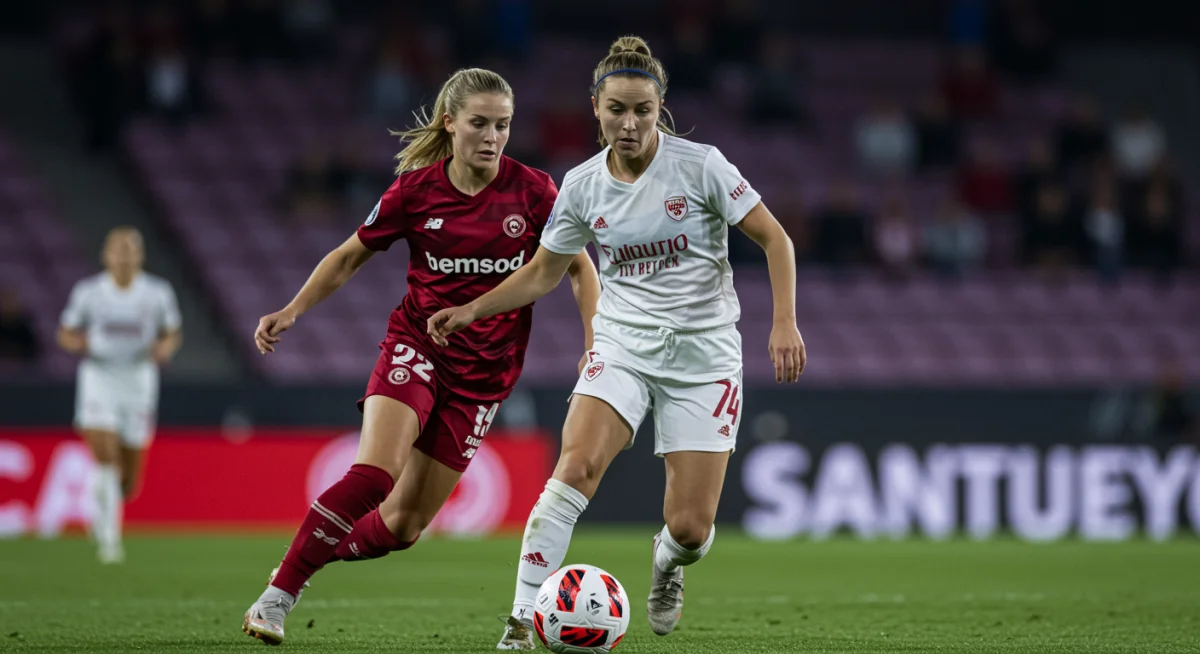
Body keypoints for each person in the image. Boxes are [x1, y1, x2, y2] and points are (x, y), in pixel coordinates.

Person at [424, 37, 805, 649]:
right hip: (622, 342)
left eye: (643, 111)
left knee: (690, 528)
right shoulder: (581, 185)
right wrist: (473, 308)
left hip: (705, 354)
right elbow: (544, 271)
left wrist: (783, 321)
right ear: (596, 108)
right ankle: (520, 620)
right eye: (617, 110)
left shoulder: (701, 165)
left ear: (660, 110)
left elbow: (775, 238)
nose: (629, 124)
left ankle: (667, 562)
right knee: (574, 467)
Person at [241, 68, 601, 646]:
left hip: (485, 376)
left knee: (403, 527)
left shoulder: (534, 191)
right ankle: (277, 597)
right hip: (418, 346)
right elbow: (348, 256)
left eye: (503, 125)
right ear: (450, 122)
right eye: (480, 123)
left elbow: (580, 269)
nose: (492, 137)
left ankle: (308, 554)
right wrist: (292, 309)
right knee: (373, 475)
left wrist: (594, 342)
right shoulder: (414, 192)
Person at [57, 226, 183, 564]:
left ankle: (102, 504)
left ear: (140, 255)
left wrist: (164, 348)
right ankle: (109, 543)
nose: (124, 256)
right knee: (105, 456)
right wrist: (78, 343)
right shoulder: (89, 292)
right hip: (99, 378)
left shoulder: (157, 292)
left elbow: (172, 332)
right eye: (118, 249)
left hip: (138, 382)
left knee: (127, 483)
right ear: (106, 255)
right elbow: (65, 332)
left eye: (130, 249)